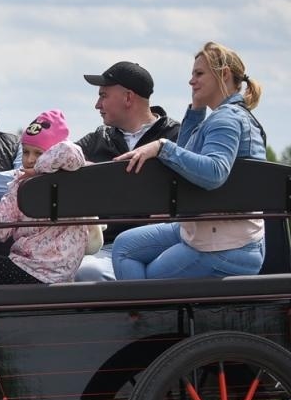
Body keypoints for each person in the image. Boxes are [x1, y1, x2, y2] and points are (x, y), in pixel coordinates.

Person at [110, 43, 267, 280]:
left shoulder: (226, 120)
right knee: (124, 246)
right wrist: (195, 111)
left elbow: (215, 172)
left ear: (223, 75)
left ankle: (147, 314)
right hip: (218, 232)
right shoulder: (230, 116)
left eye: (199, 74)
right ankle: (145, 312)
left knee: (145, 284)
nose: (191, 81)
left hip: (224, 245)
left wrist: (162, 146)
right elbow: (186, 158)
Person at [74, 61, 182, 280]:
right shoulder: (96, 140)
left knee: (87, 271)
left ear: (128, 98)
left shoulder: (178, 139)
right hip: (108, 248)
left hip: (165, 246)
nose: (97, 104)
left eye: (103, 95)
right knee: (84, 270)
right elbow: (56, 160)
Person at [0, 111, 93, 286]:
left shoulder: (70, 179)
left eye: (38, 153)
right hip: (26, 265)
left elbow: (70, 151)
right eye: (25, 152)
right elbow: (0, 232)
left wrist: (39, 170)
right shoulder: (19, 183)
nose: (30, 159)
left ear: (52, 153)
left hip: (44, 272)